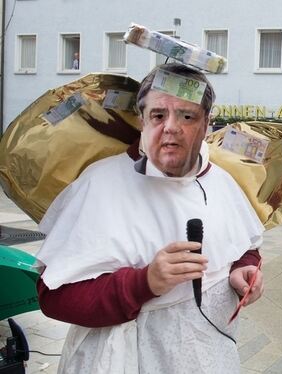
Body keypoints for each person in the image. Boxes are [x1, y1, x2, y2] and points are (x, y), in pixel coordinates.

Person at [35, 63, 265, 372]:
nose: (171, 127)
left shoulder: (221, 181)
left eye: (187, 116)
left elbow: (244, 244)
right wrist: (144, 283)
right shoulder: (99, 183)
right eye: (158, 115)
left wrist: (244, 269)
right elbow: (55, 298)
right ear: (142, 120)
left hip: (208, 358)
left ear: (206, 124)